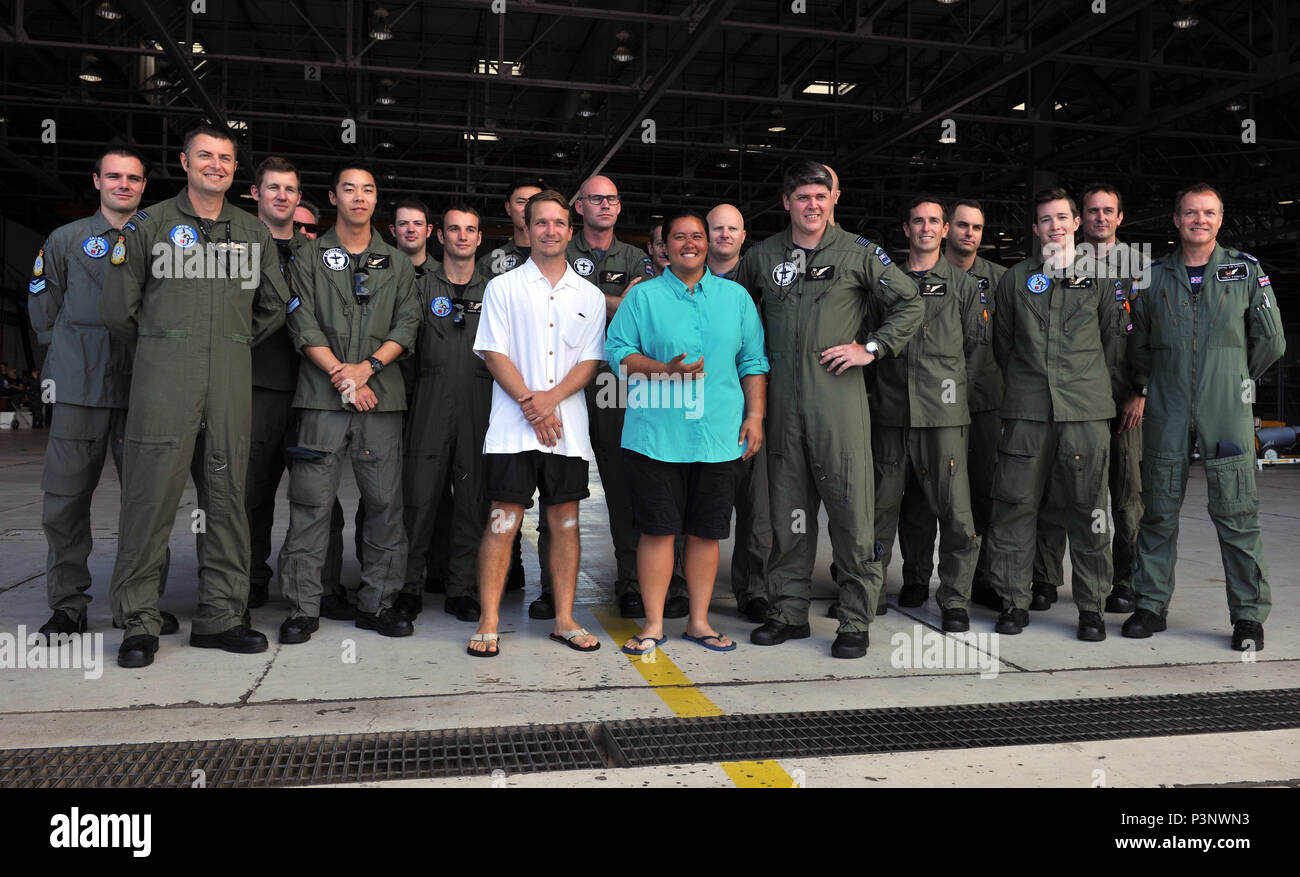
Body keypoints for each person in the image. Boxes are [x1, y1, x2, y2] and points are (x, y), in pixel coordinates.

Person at [101, 125, 290, 668]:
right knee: (150, 499)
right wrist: (167, 343)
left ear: (235, 171)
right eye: (204, 155)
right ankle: (138, 620)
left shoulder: (252, 233)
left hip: (229, 379)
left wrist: (230, 341)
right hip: (164, 380)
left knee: (228, 497)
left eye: (225, 158)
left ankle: (222, 615)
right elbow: (118, 309)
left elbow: (275, 305)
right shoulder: (151, 224)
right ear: (184, 162)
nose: (215, 165)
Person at [736, 160, 922, 658]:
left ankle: (855, 620)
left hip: (838, 409)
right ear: (787, 202)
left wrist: (872, 347)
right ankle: (787, 611)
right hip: (782, 411)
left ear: (833, 199)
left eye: (820, 196)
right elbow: (735, 312)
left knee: (851, 514)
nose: (811, 205)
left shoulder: (859, 254)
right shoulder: (763, 256)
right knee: (789, 515)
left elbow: (910, 303)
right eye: (802, 197)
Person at [1124, 183, 1285, 651]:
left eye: (1209, 213)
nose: (1199, 220)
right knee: (1157, 510)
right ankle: (1150, 605)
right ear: (1176, 220)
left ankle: (1249, 616)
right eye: (1191, 213)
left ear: (1220, 219)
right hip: (1166, 408)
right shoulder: (1151, 276)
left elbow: (1272, 340)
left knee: (1238, 514)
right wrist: (1155, 384)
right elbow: (1139, 345)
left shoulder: (1244, 271)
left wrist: (1232, 376)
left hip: (1227, 409)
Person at [607, 208, 768, 655]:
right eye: (679, 237)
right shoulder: (642, 298)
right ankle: (654, 625)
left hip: (718, 435)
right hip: (656, 435)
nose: (690, 244)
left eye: (697, 236)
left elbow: (753, 361)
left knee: (706, 532)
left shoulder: (735, 299)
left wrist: (754, 416)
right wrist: (662, 369)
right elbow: (616, 353)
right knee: (657, 532)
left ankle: (698, 622)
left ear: (710, 242)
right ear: (664, 247)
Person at [28, 148, 170, 640]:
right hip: (79, 389)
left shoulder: (160, 242)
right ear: (96, 180)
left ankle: (144, 603)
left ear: (144, 186)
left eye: (133, 178)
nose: (123, 185)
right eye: (114, 176)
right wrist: (73, 354)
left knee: (147, 502)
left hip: (144, 391)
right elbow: (44, 310)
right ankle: (68, 605)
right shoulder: (65, 240)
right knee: (65, 501)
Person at [276, 160, 420, 644]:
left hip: (380, 400)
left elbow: (407, 325)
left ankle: (377, 603)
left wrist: (367, 370)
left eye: (369, 190)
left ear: (376, 200)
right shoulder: (308, 258)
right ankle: (303, 606)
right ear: (333, 197)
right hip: (321, 398)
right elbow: (302, 325)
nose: (360, 197)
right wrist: (344, 377)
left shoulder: (398, 264)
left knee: (384, 504)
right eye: (349, 189)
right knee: (311, 504)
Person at [984, 188, 1126, 641]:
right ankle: (1012, 599)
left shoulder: (1103, 279)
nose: (1056, 226)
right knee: (1015, 507)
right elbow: (1002, 346)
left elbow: (1113, 347)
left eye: (1063, 218)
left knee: (1090, 510)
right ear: (1035, 228)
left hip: (1085, 413)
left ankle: (1092, 608)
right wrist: (1031, 388)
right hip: (1027, 412)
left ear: (1076, 223)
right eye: (1046, 220)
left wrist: (1085, 388)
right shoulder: (1014, 280)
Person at [468, 190, 606, 657]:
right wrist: (533, 405)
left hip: (566, 430)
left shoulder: (588, 295)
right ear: (527, 230)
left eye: (558, 223)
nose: (550, 230)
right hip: (512, 427)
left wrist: (551, 401)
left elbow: (590, 361)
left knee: (565, 522)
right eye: (540, 223)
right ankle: (488, 620)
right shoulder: (502, 287)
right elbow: (493, 352)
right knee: (503, 520)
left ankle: (564, 619)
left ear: (570, 230)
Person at [566, 175, 686, 620]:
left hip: (616, 382)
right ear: (579, 207)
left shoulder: (635, 257)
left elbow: (645, 312)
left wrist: (592, 300)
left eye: (612, 199)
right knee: (561, 486)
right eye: (596, 199)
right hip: (564, 382)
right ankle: (558, 587)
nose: (605, 206)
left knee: (629, 479)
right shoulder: (562, 250)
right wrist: (614, 300)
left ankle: (640, 580)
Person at [868, 197, 985, 632]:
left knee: (955, 512)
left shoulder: (963, 284)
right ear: (906, 228)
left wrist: (951, 397)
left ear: (944, 229)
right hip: (892, 412)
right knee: (881, 509)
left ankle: (954, 599)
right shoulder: (885, 282)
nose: (925, 228)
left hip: (944, 416)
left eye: (934, 221)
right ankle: (871, 591)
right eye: (917, 220)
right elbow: (871, 340)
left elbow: (975, 347)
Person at [1032, 184, 1146, 614]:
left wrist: (1141, 390)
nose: (1100, 217)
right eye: (1092, 211)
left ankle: (1124, 579)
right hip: (1075, 400)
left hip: (1125, 401)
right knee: (1059, 490)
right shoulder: (1058, 265)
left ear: (1120, 217)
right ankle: (1044, 577)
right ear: (1080, 218)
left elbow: (1150, 337)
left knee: (1127, 493)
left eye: (1108, 211)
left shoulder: (1139, 269)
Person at [243, 156, 346, 612]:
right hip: (256, 388)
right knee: (250, 495)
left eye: (290, 190)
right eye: (274, 188)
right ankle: (246, 582)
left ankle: (321, 585)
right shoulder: (239, 247)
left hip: (313, 390)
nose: (282, 197)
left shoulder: (320, 257)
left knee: (321, 498)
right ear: (256, 194)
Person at [400, 205, 508, 622]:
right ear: (439, 237)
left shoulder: (497, 290)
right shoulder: (420, 286)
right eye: (453, 230)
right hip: (429, 396)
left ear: (480, 239)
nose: (462, 237)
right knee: (418, 498)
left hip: (480, 400)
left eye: (470, 230)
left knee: (472, 499)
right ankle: (408, 586)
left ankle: (461, 587)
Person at [707, 202, 767, 621]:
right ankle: (681, 587)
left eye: (733, 229)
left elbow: (755, 357)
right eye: (717, 228)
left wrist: (757, 412)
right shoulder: (682, 280)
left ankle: (754, 590)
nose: (725, 235)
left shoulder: (760, 281)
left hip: (750, 406)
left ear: (744, 237)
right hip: (696, 411)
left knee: (754, 505)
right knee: (694, 502)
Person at [477, 178, 543, 279]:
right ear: (508, 208)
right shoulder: (489, 263)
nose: (528, 209)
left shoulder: (562, 257)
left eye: (535, 202)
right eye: (521, 202)